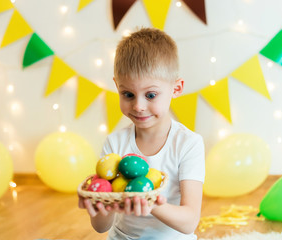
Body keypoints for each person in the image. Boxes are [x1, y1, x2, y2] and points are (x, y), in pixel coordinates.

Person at [78, 27, 205, 240]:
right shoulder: (114, 144)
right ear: (117, 86)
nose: (138, 106)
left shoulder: (188, 143)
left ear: (176, 88)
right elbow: (100, 227)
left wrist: (148, 201)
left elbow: (190, 221)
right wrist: (100, 204)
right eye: (128, 94)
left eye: (151, 95)